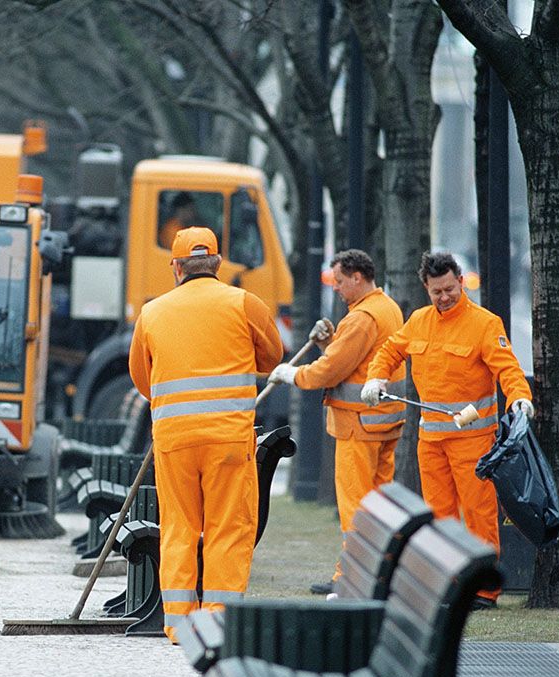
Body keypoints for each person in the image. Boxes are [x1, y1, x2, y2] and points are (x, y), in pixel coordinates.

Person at [128, 226, 283, 642]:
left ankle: (179, 624)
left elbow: (143, 379)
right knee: (227, 529)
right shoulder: (244, 303)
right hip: (228, 440)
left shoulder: (152, 312)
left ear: (176, 267)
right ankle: (218, 623)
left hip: (174, 439)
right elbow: (272, 357)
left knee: (179, 527)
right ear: (217, 263)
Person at [361, 251, 534, 609]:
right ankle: (448, 585)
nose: (444, 297)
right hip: (432, 441)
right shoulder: (419, 321)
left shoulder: (484, 324)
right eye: (436, 291)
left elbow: (508, 369)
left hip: (473, 441)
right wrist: (376, 376)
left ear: (460, 281)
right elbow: (390, 350)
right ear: (426, 288)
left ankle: (484, 590)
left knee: (478, 513)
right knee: (439, 515)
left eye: (450, 289)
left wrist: (519, 399)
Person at [267, 249, 405, 595]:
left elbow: (333, 370)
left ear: (358, 277)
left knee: (355, 506)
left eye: (341, 282)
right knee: (376, 505)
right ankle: (375, 574)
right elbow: (357, 358)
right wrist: (331, 341)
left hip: (358, 425)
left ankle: (353, 578)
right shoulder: (386, 308)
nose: (337, 290)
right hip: (384, 422)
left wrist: (293, 374)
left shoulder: (361, 318)